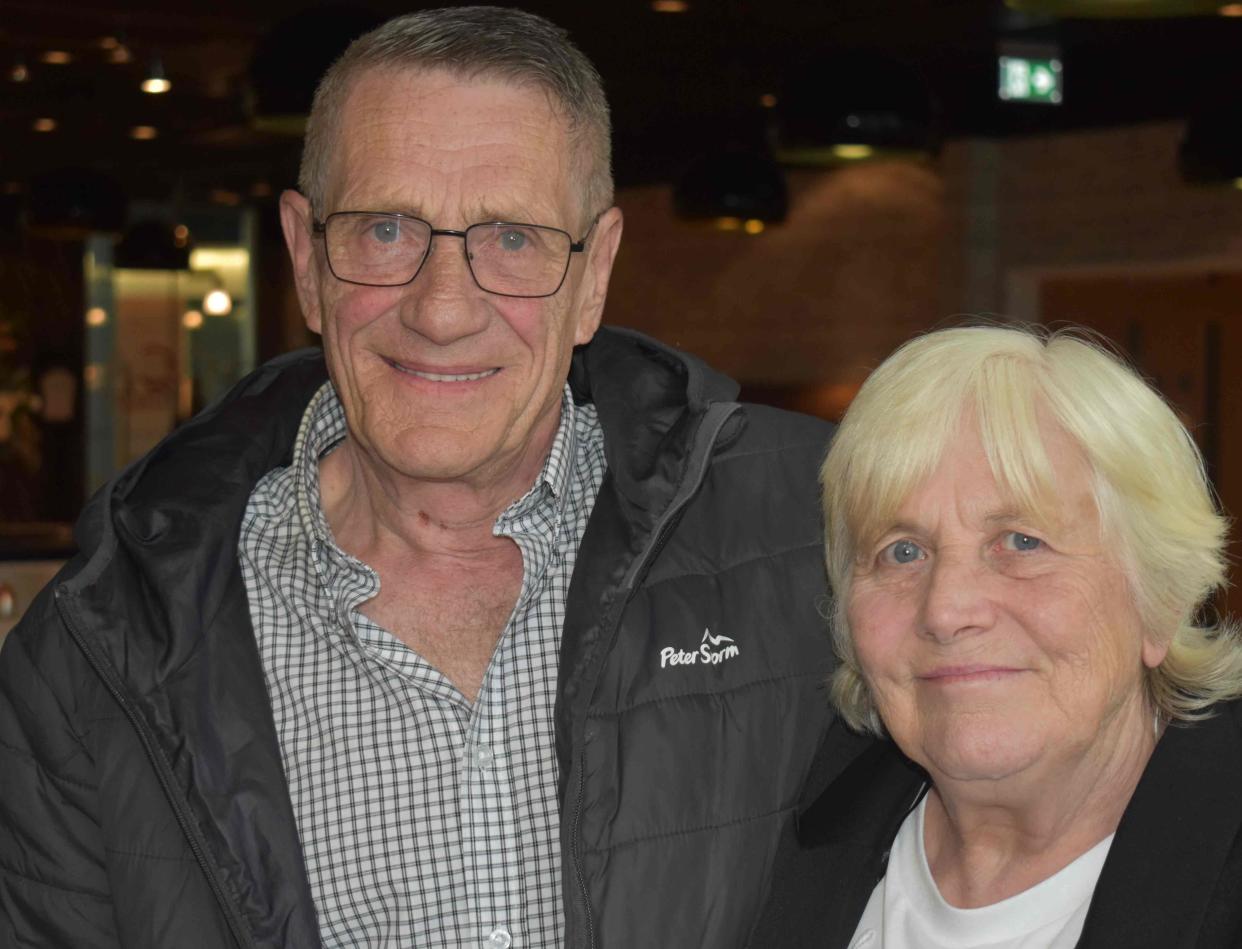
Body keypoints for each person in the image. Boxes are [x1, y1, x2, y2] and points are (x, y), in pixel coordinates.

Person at [0, 7, 844, 948]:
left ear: (594, 273)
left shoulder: (818, 541)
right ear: (306, 258)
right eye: (387, 230)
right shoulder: (89, 657)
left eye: (513, 239)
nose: (443, 310)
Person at [748, 324, 1242, 948]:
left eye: (1021, 541)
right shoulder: (769, 835)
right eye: (902, 552)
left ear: (1161, 599)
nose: (947, 610)